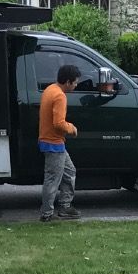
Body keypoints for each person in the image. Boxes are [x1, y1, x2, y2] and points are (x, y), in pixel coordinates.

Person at [38, 64, 82, 222]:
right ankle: (46, 214)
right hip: (53, 143)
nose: (76, 85)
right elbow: (58, 123)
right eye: (75, 82)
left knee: (69, 172)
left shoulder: (50, 89)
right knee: (52, 179)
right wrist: (72, 128)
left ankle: (65, 206)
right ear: (68, 82)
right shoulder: (59, 96)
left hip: (50, 141)